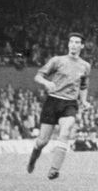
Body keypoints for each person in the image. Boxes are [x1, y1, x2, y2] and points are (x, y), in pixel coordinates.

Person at [26, 31, 91, 180]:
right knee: (42, 141)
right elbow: (38, 76)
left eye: (77, 42)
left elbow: (83, 86)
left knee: (66, 130)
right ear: (68, 44)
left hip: (69, 104)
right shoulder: (57, 60)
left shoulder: (85, 66)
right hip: (53, 101)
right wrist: (47, 82)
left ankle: (54, 169)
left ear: (82, 46)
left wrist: (84, 100)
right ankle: (33, 158)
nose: (73, 45)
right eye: (71, 42)